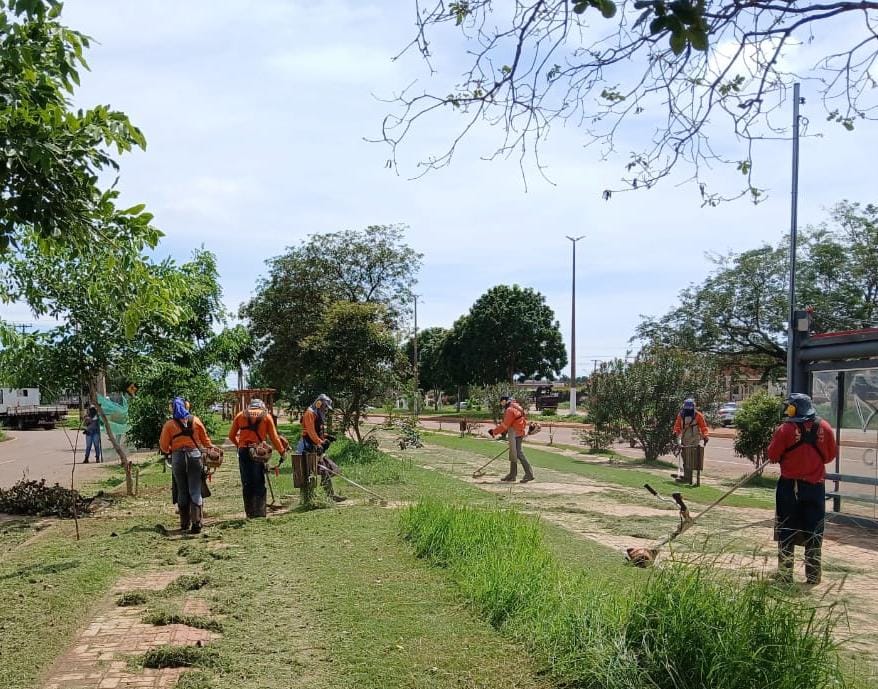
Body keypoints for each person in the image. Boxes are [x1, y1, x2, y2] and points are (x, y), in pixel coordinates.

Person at [767, 392, 836, 585]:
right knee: (814, 530)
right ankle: (813, 575)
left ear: (795, 408)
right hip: (815, 487)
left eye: (789, 406)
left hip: (790, 487)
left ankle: (785, 573)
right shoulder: (825, 427)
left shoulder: (785, 429)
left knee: (787, 529)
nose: (787, 409)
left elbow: (772, 454)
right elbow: (830, 456)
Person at [159, 397, 216, 533]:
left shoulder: (169, 425)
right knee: (195, 489)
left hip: (178, 459)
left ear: (172, 408)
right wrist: (211, 449)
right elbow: (206, 441)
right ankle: (197, 523)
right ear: (187, 406)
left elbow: (164, 446)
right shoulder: (195, 421)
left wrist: (170, 451)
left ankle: (184, 523)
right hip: (195, 457)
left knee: (182, 489)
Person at [228, 398, 287, 517]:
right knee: (259, 481)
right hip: (259, 452)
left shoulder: (240, 415)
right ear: (261, 407)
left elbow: (231, 435)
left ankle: (249, 512)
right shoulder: (266, 416)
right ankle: (259, 512)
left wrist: (240, 445)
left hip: (244, 451)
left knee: (247, 482)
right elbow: (274, 438)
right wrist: (282, 452)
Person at [297, 394, 345, 502]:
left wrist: (326, 436)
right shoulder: (310, 413)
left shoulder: (317, 413)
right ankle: (307, 499)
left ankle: (329, 495)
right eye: (325, 406)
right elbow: (310, 432)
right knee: (308, 474)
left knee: (326, 469)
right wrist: (321, 443)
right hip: (307, 448)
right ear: (319, 403)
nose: (326, 409)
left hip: (315, 447)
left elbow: (318, 431)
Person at [488, 395, 534, 483]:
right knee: (513, 453)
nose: (501, 404)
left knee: (519, 453)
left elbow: (505, 425)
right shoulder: (517, 407)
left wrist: (494, 432)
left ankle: (529, 474)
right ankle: (512, 475)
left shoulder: (509, 410)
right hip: (519, 431)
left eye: (501, 402)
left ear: (505, 401)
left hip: (515, 433)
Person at [672, 398, 709, 484]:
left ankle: (689, 478)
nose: (688, 410)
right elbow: (677, 426)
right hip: (685, 440)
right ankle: (687, 477)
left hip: (695, 440)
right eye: (686, 409)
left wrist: (706, 437)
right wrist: (675, 432)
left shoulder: (698, 415)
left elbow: (704, 427)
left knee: (692, 459)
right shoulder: (681, 415)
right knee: (685, 458)